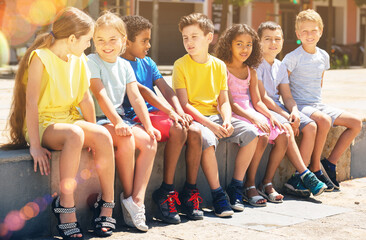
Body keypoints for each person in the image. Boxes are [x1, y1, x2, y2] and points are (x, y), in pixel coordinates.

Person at [5, 7, 116, 239]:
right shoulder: (41, 58)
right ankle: (65, 206)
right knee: (75, 134)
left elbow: (85, 99)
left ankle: (107, 203)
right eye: (87, 40)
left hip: (69, 120)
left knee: (104, 134)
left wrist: (93, 133)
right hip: (45, 123)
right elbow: (32, 104)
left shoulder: (80, 59)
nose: (89, 46)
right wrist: (35, 145)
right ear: (73, 38)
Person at [173, 13, 261, 216]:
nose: (189, 42)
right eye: (185, 37)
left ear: (209, 37)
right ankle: (218, 194)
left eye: (194, 36)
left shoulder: (219, 65)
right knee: (207, 139)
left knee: (251, 133)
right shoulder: (180, 65)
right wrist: (211, 125)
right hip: (198, 120)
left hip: (218, 117)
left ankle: (236, 186)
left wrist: (228, 121)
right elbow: (185, 104)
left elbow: (224, 101)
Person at [121, 15, 203, 223]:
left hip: (157, 113)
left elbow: (166, 89)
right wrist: (172, 114)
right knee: (178, 128)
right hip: (137, 116)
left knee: (194, 131)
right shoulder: (120, 64)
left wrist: (179, 111)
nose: (149, 45)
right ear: (127, 41)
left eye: (149, 40)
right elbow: (145, 94)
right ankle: (166, 191)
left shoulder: (148, 62)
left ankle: (189, 191)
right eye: (144, 40)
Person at [87, 12, 161, 232]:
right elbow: (100, 95)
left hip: (121, 120)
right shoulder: (91, 60)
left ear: (122, 40)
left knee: (150, 141)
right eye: (100, 40)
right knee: (126, 140)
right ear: (93, 41)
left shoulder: (124, 65)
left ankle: (136, 201)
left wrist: (148, 125)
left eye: (112, 40)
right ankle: (127, 197)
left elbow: (136, 97)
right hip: (100, 120)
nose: (106, 45)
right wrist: (118, 122)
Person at [282, 9, 362, 190]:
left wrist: (319, 107)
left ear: (321, 31)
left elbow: (319, 83)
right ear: (297, 34)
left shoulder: (323, 56)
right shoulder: (292, 58)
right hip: (300, 105)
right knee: (324, 120)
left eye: (313, 31)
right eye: (305, 31)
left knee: (356, 123)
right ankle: (315, 168)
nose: (309, 35)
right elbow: (284, 89)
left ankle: (330, 164)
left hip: (317, 104)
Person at [215, 24, 288, 206]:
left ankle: (268, 182)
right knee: (261, 136)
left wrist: (270, 115)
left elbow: (257, 102)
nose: (244, 49)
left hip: (251, 109)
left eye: (248, 45)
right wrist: (254, 117)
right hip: (234, 111)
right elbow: (230, 103)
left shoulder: (251, 71)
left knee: (283, 134)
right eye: (239, 44)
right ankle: (249, 184)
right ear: (229, 44)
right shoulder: (221, 68)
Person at [256, 21, 327, 197]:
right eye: (268, 39)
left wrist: (294, 111)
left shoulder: (280, 66)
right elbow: (263, 97)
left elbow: (286, 96)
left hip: (278, 107)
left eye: (277, 39)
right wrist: (286, 116)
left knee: (310, 126)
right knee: (287, 127)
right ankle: (306, 174)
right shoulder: (256, 65)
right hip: (262, 107)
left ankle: (298, 178)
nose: (273, 43)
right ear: (258, 41)